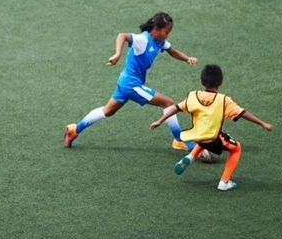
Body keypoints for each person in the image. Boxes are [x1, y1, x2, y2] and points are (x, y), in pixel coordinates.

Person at [64, 12, 198, 149]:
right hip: (132, 85)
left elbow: (172, 51)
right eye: (166, 31)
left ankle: (75, 129)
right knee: (167, 103)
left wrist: (187, 58)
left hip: (125, 82)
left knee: (107, 111)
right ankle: (179, 140)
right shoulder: (143, 39)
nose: (168, 35)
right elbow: (122, 36)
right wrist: (117, 54)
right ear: (156, 29)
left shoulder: (159, 41)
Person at [150, 64, 273, 191]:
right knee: (236, 148)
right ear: (221, 82)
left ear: (201, 81)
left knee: (206, 136)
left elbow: (175, 108)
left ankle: (190, 157)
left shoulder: (193, 96)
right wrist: (262, 123)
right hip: (212, 138)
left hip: (196, 136)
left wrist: (159, 121)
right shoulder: (224, 100)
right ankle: (224, 183)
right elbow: (243, 113)